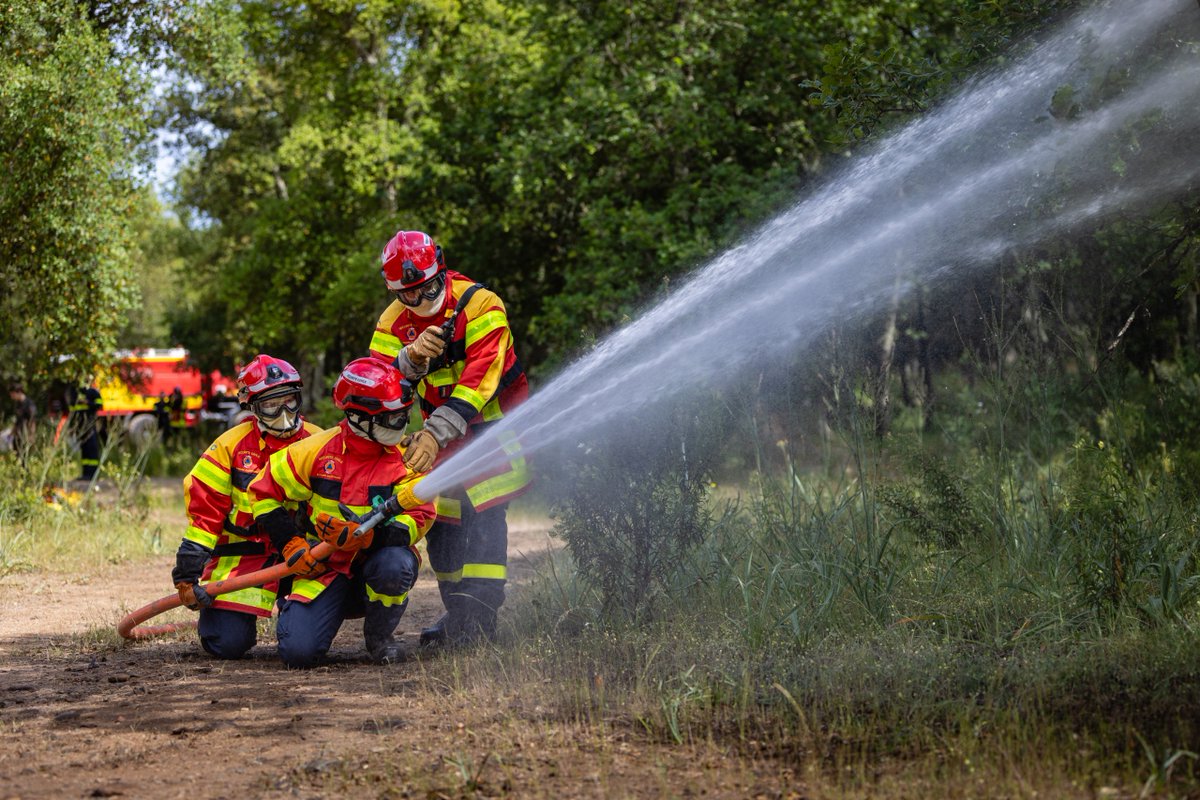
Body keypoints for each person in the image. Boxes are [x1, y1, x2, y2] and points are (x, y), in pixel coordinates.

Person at [369, 229, 531, 646]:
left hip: (493, 431)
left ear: (441, 270)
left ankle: (479, 623)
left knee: (484, 525)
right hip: (440, 436)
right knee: (443, 526)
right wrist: (410, 359)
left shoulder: (481, 306)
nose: (422, 300)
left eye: (430, 287)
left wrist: (434, 434)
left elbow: (481, 381)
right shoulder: (392, 323)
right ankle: (459, 615)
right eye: (409, 295)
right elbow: (378, 383)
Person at [248, 357, 436, 667]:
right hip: (323, 567)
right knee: (298, 655)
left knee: (395, 564)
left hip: (376, 564)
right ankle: (298, 610)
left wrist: (369, 539)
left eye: (403, 415)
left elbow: (420, 517)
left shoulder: (408, 459)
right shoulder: (314, 450)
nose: (401, 425)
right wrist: (291, 543)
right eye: (391, 419)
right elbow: (262, 492)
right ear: (357, 416)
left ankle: (379, 638)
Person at [170, 355, 323, 660]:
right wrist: (187, 576)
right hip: (243, 563)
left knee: (304, 646)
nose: (283, 412)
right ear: (252, 407)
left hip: (306, 558)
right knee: (226, 644)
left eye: (289, 401)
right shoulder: (229, 448)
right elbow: (204, 521)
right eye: (270, 405)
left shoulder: (320, 442)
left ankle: (300, 621)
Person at [68, 383, 103, 481]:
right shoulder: (75, 392)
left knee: (92, 451)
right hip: (80, 428)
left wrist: (87, 403)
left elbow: (100, 405)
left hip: (90, 427)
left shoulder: (92, 392)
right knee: (85, 452)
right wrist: (72, 428)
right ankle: (86, 474)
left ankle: (93, 475)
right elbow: (72, 411)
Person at [7, 383, 38, 465]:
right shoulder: (18, 404)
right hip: (18, 434)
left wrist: (31, 435)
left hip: (26, 434)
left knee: (24, 457)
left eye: (12, 394)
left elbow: (32, 421)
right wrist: (12, 432)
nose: (11, 397)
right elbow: (17, 420)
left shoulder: (29, 404)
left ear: (19, 392)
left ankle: (25, 475)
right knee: (16, 455)